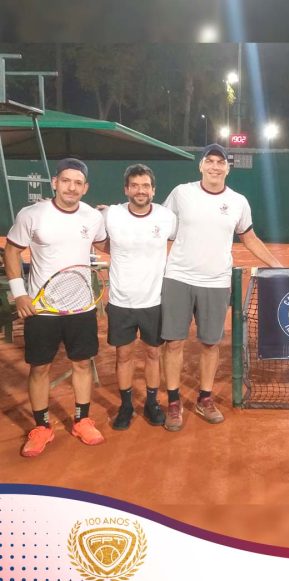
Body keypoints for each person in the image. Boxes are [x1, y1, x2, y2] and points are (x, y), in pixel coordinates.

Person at [161, 143, 282, 431]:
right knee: (173, 343)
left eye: (221, 162)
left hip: (216, 282)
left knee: (210, 343)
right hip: (178, 278)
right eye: (210, 161)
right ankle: (174, 402)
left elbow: (249, 237)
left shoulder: (238, 201)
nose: (215, 166)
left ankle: (204, 398)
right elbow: (159, 226)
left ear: (228, 168)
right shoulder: (181, 193)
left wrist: (277, 265)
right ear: (201, 165)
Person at [4, 158, 107, 457]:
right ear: (55, 183)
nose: (71, 187)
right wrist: (19, 294)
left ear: (85, 188)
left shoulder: (93, 217)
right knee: (39, 368)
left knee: (82, 364)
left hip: (81, 307)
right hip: (41, 308)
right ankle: (42, 427)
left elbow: (104, 245)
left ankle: (82, 420)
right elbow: (11, 251)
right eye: (66, 181)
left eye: (78, 183)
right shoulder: (32, 215)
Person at [100, 164, 177, 430]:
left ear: (153, 190)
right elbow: (94, 235)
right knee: (123, 355)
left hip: (154, 301)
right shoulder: (111, 214)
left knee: (154, 354)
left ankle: (152, 403)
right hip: (121, 301)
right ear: (126, 189)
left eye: (145, 186)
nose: (140, 190)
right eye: (134, 186)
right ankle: (126, 406)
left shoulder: (167, 217)